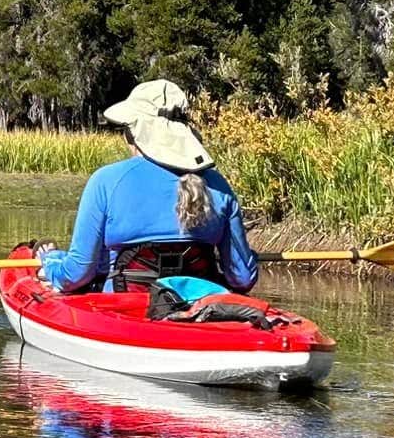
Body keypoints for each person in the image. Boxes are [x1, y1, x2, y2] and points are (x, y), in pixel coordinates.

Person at [35, 80, 259, 295]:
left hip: (122, 313)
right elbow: (242, 278)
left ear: (134, 133)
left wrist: (51, 261)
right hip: (198, 312)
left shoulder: (105, 181)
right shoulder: (219, 186)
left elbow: (76, 275)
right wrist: (249, 258)